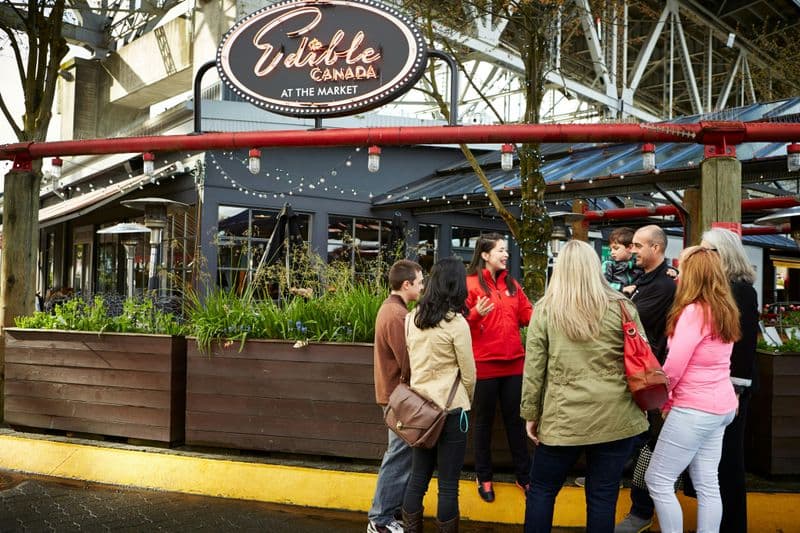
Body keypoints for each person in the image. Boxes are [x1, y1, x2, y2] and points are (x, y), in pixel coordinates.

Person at [521, 240, 648, 533]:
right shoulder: (622, 307)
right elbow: (640, 355)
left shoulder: (546, 310)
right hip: (617, 416)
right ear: (594, 268)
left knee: (541, 489)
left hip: (564, 417)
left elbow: (534, 368)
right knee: (603, 494)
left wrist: (530, 413)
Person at [644, 246, 740, 533]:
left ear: (693, 274)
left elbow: (674, 366)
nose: (678, 273)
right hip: (721, 407)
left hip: (693, 409)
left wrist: (664, 398)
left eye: (682, 268)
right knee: (708, 483)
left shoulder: (694, 312)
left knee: (658, 479)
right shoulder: (725, 309)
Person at [402, 257, 476, 533]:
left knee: (417, 478)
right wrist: (467, 400)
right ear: (457, 287)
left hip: (420, 410)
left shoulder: (411, 319)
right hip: (452, 411)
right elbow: (468, 374)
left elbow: (410, 362)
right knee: (448, 485)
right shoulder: (456, 324)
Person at [616, 225, 677, 533]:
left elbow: (630, 322)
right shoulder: (646, 279)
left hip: (651, 380)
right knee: (637, 441)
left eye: (638, 245)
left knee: (650, 448)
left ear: (656, 248)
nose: (632, 249)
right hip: (642, 375)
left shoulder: (664, 287)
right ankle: (611, 475)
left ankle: (641, 511)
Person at [465, 233, 533, 503]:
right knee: (482, 425)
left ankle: (524, 476)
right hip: (483, 366)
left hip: (514, 364)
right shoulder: (469, 284)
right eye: (500, 250)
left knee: (516, 422)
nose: (506, 255)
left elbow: (528, 316)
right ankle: (484, 477)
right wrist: (475, 315)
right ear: (484, 255)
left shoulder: (513, 284)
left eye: (506, 250)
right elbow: (459, 326)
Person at [699, 228, 759, 533]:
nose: (702, 256)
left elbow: (743, 346)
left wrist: (735, 389)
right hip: (721, 389)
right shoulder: (723, 288)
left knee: (729, 463)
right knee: (717, 465)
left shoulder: (740, 290)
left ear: (723, 255)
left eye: (708, 250)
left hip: (731, 390)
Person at [367, 259, 424, 533]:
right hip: (398, 397)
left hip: (394, 395)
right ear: (406, 284)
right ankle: (380, 520)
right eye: (420, 282)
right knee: (399, 457)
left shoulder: (392, 309)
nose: (423, 287)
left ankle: (386, 517)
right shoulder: (397, 315)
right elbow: (408, 361)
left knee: (400, 456)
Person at [602, 227, 644, 295]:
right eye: (611, 249)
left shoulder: (639, 263)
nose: (612, 252)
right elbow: (603, 284)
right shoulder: (608, 264)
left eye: (616, 248)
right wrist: (621, 288)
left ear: (630, 247)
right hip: (616, 298)